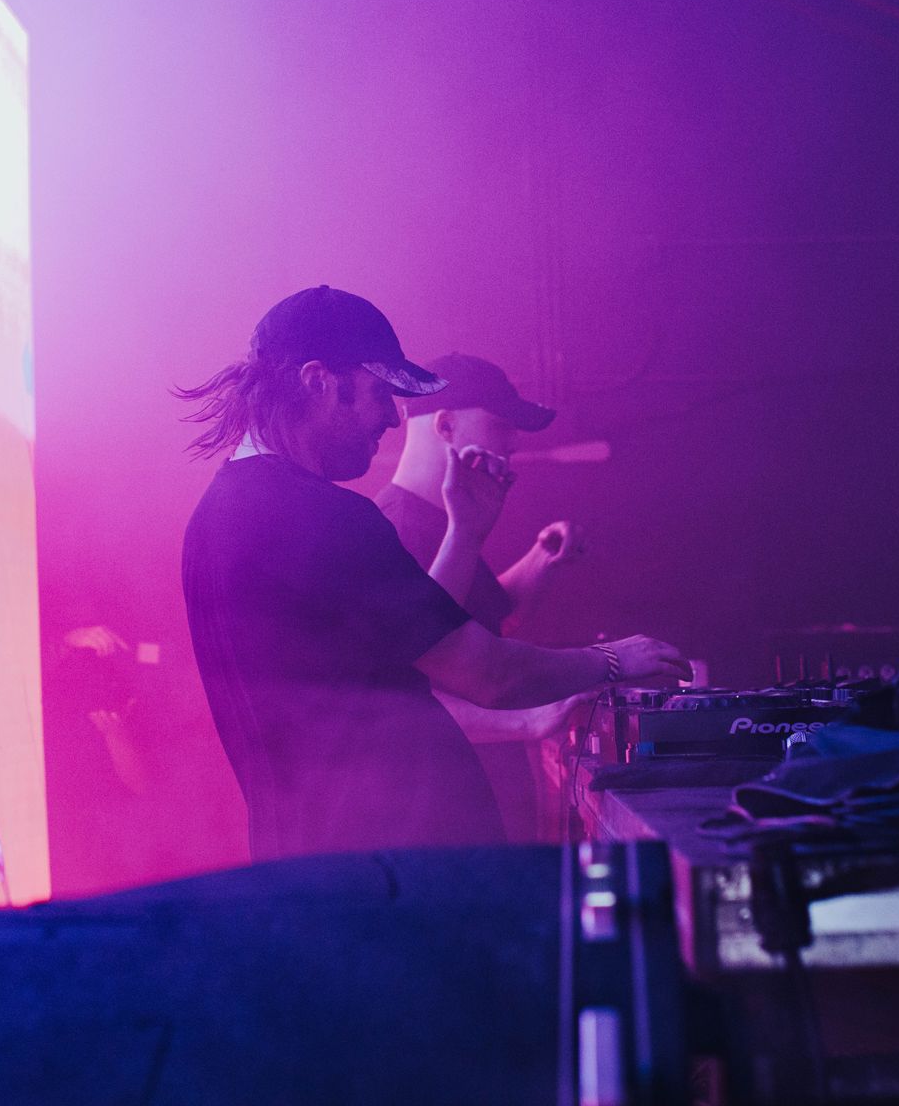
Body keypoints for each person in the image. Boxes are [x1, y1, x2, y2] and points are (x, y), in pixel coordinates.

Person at [176, 286, 689, 860]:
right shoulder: (315, 514)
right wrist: (614, 661)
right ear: (317, 380)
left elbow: (403, 651)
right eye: (377, 393)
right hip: (396, 873)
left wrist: (465, 532)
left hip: (331, 866)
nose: (392, 420)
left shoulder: (222, 512)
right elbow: (485, 674)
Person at [377, 354, 588, 839]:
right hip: (442, 819)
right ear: (446, 425)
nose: (512, 441)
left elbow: (485, 620)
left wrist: (542, 559)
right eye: (499, 424)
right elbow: (400, 698)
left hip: (484, 805)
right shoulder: (394, 532)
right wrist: (527, 719)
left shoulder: (445, 522)